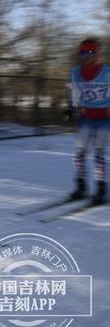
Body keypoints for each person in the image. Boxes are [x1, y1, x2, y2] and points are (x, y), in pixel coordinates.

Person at [67, 38, 109, 205]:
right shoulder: (76, 72)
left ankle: (101, 189)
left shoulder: (107, 71)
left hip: (104, 119)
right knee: (79, 154)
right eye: (83, 53)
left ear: (97, 53)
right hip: (87, 118)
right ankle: (81, 187)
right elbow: (75, 94)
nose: (86, 56)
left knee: (98, 154)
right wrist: (71, 109)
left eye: (90, 52)